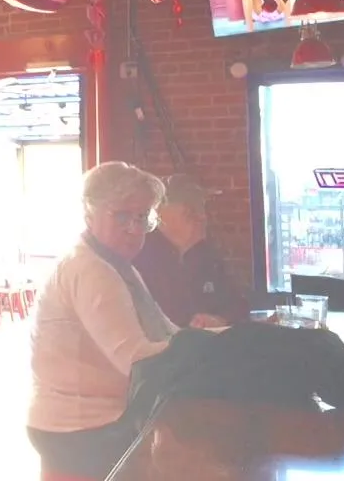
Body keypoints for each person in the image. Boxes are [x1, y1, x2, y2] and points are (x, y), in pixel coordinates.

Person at [26, 161, 176, 479]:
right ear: (89, 213)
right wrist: (207, 347)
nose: (134, 229)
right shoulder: (91, 269)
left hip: (89, 420)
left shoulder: (115, 265)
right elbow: (136, 361)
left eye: (142, 217)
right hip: (80, 426)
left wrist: (222, 337)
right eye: (122, 216)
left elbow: (167, 331)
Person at [133, 175, 249, 329]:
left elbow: (239, 305)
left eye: (202, 208)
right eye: (191, 211)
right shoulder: (141, 257)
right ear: (161, 214)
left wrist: (220, 319)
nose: (203, 217)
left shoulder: (207, 255)